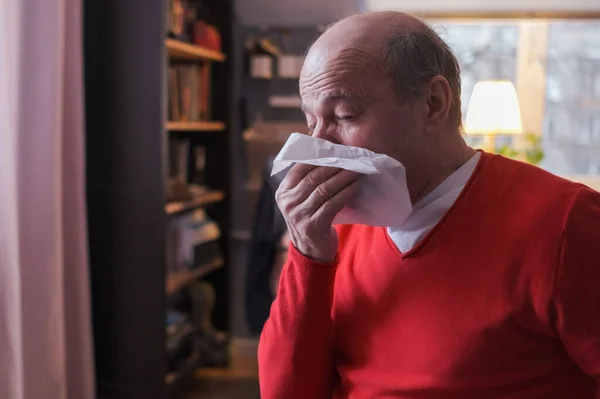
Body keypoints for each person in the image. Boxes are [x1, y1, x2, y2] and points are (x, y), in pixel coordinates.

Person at [258, 10, 600, 399]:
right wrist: (308, 254)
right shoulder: (334, 229)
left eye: (344, 115)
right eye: (310, 121)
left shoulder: (566, 223)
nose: (321, 145)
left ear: (433, 104)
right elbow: (286, 392)